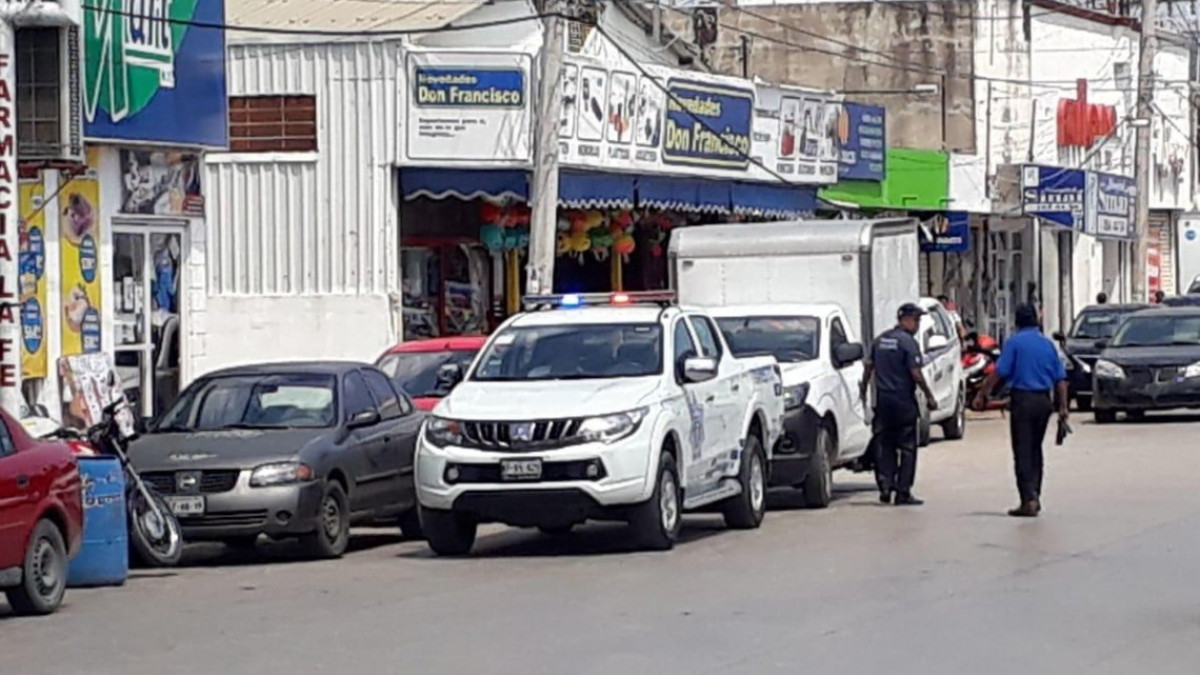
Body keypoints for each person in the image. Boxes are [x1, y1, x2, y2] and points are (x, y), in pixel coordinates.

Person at [973, 304, 1069, 518]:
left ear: (1017, 322)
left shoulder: (1014, 343)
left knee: (1023, 450)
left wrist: (982, 394)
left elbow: (1000, 372)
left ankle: (1028, 500)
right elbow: (1061, 379)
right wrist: (1063, 408)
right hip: (1044, 402)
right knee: (1036, 449)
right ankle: (1035, 494)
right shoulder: (1047, 345)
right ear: (1036, 320)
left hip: (1023, 401)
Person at [860, 303, 939, 506]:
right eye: (916, 320)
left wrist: (863, 394)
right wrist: (929, 396)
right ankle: (903, 492)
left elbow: (868, 368)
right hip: (903, 401)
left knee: (884, 444)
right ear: (905, 319)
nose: (918, 324)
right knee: (907, 447)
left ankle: (886, 486)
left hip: (883, 401)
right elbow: (915, 373)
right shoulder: (908, 343)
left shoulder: (880, 340)